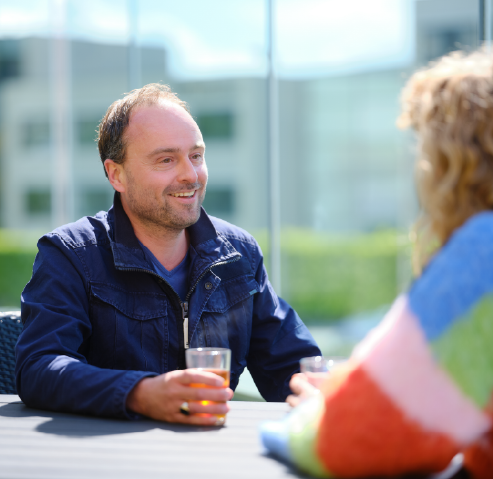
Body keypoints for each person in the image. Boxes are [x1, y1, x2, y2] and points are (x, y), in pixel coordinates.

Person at [15, 83, 321, 426]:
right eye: (166, 160)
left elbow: (294, 367)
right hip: (108, 463)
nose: (190, 176)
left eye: (196, 156)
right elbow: (39, 368)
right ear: (117, 174)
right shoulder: (70, 254)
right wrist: (141, 392)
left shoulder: (239, 254)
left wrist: (324, 392)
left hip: (210, 457)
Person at [260, 49, 493, 479]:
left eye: (422, 149)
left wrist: (322, 410)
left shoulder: (483, 254)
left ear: (450, 163)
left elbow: (345, 439)